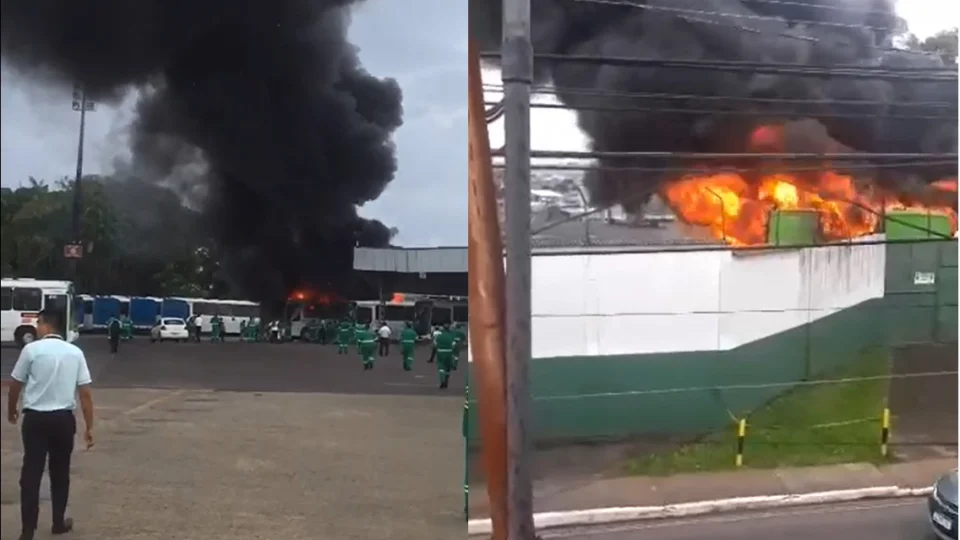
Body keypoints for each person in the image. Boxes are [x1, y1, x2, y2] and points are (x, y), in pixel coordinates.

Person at [6, 309, 95, 540]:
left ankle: (28, 530)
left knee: (31, 472)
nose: (36, 328)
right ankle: (58, 522)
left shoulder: (31, 350)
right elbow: (85, 393)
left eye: (38, 323)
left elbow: (15, 383)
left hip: (35, 420)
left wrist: (11, 409)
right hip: (63, 420)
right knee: (60, 471)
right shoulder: (75, 352)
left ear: (46, 325)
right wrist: (89, 427)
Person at [434, 324, 455, 389]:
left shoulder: (439, 336)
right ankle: (446, 380)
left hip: (440, 352)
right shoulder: (451, 336)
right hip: (449, 352)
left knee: (441, 367)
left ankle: (442, 380)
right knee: (448, 367)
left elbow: (435, 344)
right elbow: (453, 345)